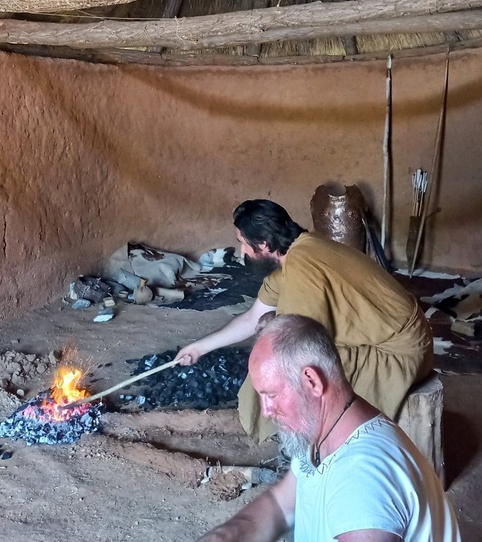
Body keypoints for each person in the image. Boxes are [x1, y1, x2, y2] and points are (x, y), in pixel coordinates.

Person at [175, 199, 433, 442]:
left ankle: (316, 444)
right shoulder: (299, 252)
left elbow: (296, 343)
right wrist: (199, 348)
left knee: (293, 368)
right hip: (395, 337)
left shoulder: (303, 264)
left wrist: (272, 327)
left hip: (399, 352)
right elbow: (251, 318)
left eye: (244, 243)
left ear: (263, 245)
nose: (242, 250)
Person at [197, 314, 460, 542]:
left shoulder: (362, 478)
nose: (266, 410)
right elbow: (280, 506)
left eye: (272, 395)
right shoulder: (324, 431)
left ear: (312, 381)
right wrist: (223, 537)